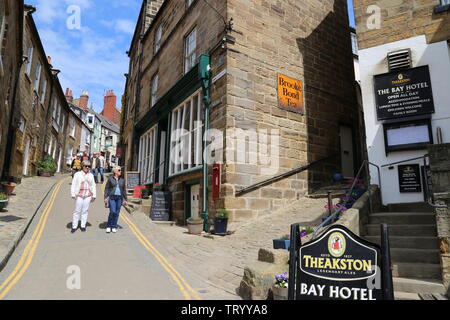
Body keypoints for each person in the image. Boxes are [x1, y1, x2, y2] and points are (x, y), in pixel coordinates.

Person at [70, 160, 97, 233]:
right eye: (86, 166)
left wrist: (94, 195)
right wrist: (73, 194)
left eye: (89, 166)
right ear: (82, 166)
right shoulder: (77, 174)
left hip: (88, 195)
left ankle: (83, 226)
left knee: (85, 211)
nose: (87, 168)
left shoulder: (91, 175)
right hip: (79, 195)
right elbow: (73, 184)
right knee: (77, 211)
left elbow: (93, 185)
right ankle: (74, 226)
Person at [104, 166, 128, 233]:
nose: (120, 171)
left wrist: (125, 199)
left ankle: (114, 226)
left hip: (119, 198)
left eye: (120, 170)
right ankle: (109, 225)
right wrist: (105, 197)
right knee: (112, 211)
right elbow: (107, 188)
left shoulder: (122, 180)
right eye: (119, 170)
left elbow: (124, 190)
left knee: (117, 213)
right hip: (112, 197)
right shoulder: (110, 179)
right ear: (115, 171)